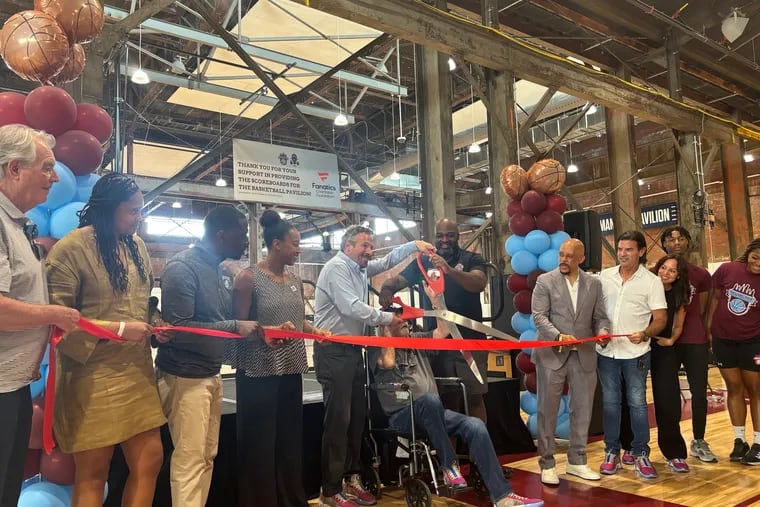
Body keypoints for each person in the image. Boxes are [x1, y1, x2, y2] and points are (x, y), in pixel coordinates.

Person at [46, 173, 165, 506]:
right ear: (107, 210)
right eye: (132, 211)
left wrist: (155, 324)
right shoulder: (71, 249)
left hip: (136, 374)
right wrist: (121, 330)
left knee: (151, 459)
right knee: (93, 473)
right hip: (91, 377)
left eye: (141, 210)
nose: (139, 218)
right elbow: (58, 320)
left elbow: (144, 303)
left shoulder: (137, 246)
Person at [368, 294, 544, 507]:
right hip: (402, 416)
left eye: (405, 318)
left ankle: (502, 496)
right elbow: (387, 362)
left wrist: (437, 301)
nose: (406, 322)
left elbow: (443, 331)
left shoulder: (417, 341)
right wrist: (386, 327)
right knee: (430, 400)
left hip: (432, 412)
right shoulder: (377, 347)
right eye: (399, 320)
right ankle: (449, 465)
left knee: (475, 425)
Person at [314, 225, 433, 507]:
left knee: (356, 420)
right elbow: (351, 307)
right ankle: (330, 491)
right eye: (364, 246)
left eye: (370, 245)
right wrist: (387, 318)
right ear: (348, 247)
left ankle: (352, 479)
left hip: (354, 351)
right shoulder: (337, 269)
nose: (369, 251)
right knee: (338, 423)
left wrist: (414, 244)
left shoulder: (359, 268)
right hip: (334, 353)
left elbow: (388, 260)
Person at [156, 205, 265, 507]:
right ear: (220, 235)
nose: (245, 242)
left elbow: (226, 319)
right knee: (190, 459)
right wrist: (235, 326)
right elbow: (179, 328)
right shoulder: (182, 268)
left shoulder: (220, 268)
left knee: (206, 456)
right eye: (241, 235)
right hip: (184, 376)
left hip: (210, 373)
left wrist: (263, 328)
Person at [226, 210, 331, 507]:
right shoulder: (248, 279)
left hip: (290, 370)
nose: (299, 250)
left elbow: (296, 322)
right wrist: (268, 331)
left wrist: (316, 330)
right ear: (276, 244)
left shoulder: (295, 280)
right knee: (258, 446)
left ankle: (291, 500)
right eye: (295, 244)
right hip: (258, 372)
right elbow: (237, 326)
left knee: (288, 444)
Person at [0, 124, 79, 507]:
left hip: (12, 386)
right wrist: (54, 314)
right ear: (14, 168)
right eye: (47, 167)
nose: (54, 177)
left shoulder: (19, 224)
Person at [379, 218, 489, 422]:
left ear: (458, 236)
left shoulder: (473, 259)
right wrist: (387, 289)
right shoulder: (424, 262)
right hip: (438, 343)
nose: (444, 240)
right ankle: (450, 454)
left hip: (471, 340)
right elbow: (398, 280)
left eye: (450, 235)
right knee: (447, 401)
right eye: (440, 236)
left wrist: (450, 270)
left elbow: (479, 283)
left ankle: (479, 451)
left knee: (475, 398)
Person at [531, 238, 609, 485]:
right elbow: (538, 317)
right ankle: (547, 463)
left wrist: (604, 332)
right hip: (551, 355)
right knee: (547, 411)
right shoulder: (545, 281)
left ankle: (577, 461)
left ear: (581, 259)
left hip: (584, 354)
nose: (563, 260)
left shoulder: (594, 284)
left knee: (583, 410)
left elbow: (600, 317)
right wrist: (558, 336)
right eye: (561, 255)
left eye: (569, 256)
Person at [597, 230, 667, 479]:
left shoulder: (651, 282)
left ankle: (640, 454)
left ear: (641, 251)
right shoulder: (604, 277)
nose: (623, 254)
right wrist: (600, 330)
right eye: (620, 249)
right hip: (606, 353)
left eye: (629, 249)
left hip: (636, 354)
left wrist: (646, 333)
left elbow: (660, 319)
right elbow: (596, 312)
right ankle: (611, 452)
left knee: (637, 404)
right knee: (610, 404)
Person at [659, 226, 716, 463]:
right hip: (666, 342)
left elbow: (703, 308)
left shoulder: (701, 274)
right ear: (663, 244)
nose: (676, 243)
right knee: (668, 396)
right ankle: (672, 446)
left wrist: (706, 333)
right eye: (670, 240)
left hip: (694, 340)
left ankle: (699, 440)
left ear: (688, 242)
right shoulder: (657, 271)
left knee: (699, 394)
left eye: (680, 238)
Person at [705, 237, 760, 465]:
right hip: (723, 341)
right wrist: (709, 330)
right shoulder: (727, 269)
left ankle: (758, 443)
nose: (758, 263)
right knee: (733, 388)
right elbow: (715, 298)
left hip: (753, 342)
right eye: (756, 258)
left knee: (756, 389)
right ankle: (740, 441)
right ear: (748, 254)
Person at [649, 254, 692, 472]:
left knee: (668, 399)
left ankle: (674, 453)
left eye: (672, 270)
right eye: (663, 267)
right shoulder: (645, 284)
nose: (665, 272)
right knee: (631, 399)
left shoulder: (679, 294)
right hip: (638, 345)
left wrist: (671, 340)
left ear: (678, 276)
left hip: (662, 347)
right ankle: (632, 450)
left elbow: (678, 324)